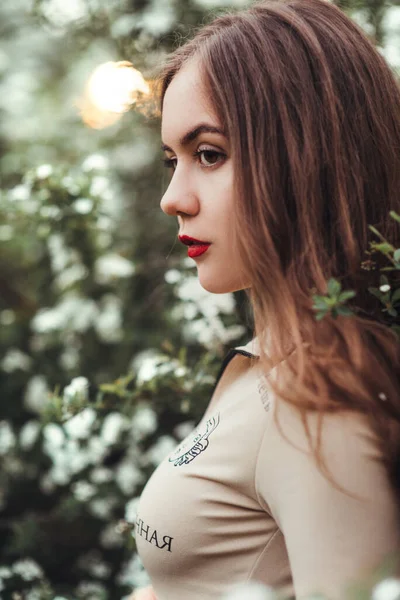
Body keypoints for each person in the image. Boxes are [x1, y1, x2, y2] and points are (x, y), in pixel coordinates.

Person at [130, 0, 400, 598]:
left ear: (309, 157)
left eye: (209, 154)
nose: (172, 197)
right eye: (173, 160)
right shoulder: (266, 361)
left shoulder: (322, 402)